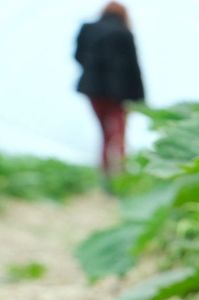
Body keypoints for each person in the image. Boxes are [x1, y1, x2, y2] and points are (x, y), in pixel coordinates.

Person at [74, 2, 144, 179]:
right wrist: (140, 97)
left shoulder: (88, 28)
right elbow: (133, 68)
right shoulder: (124, 33)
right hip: (119, 93)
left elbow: (78, 56)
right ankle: (120, 174)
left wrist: (93, 71)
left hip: (93, 91)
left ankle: (105, 173)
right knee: (118, 133)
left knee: (104, 132)